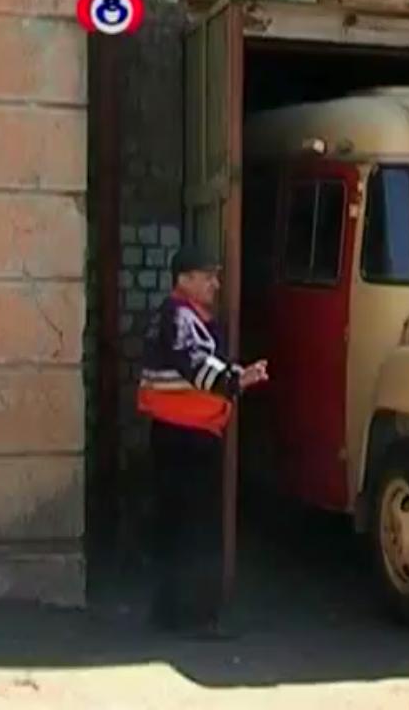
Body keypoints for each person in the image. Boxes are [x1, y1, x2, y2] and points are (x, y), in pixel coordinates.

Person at [137, 246, 268, 636]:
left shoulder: (182, 316)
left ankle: (170, 613)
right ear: (185, 279)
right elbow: (193, 362)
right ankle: (195, 618)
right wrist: (235, 380)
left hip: (178, 436)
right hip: (186, 439)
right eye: (207, 276)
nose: (216, 284)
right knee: (196, 530)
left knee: (176, 526)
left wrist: (233, 376)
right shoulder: (180, 317)